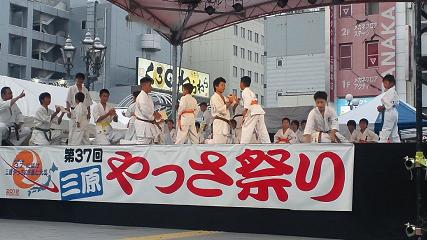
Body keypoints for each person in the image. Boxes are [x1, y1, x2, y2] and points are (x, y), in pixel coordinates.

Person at [240, 76, 270, 144]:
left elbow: (248, 103)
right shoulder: (251, 92)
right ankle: (267, 144)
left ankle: (242, 146)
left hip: (253, 111)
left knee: (246, 127)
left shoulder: (244, 91)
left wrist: (244, 113)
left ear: (242, 83)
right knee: (262, 129)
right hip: (259, 110)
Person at [134, 76, 162, 144]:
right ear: (143, 85)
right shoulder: (141, 97)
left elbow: (149, 110)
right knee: (142, 146)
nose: (151, 87)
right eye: (149, 85)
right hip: (143, 125)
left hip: (148, 124)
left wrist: (155, 113)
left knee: (149, 147)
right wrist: (154, 116)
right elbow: (145, 112)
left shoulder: (148, 96)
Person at [66, 73, 93, 142]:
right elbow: (68, 101)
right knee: (73, 130)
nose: (80, 81)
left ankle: (85, 146)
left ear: (83, 80)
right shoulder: (71, 89)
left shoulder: (85, 90)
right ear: (76, 79)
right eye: (78, 79)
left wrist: (89, 113)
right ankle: (71, 146)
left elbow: (88, 103)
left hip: (84, 113)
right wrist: (68, 111)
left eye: (81, 80)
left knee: (84, 130)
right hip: (74, 111)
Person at [210, 77, 235, 144]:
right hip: (219, 122)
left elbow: (232, 104)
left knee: (225, 143)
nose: (224, 87)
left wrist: (233, 99)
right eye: (222, 85)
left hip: (226, 123)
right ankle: (206, 142)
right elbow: (220, 109)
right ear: (216, 86)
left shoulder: (224, 97)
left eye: (224, 85)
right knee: (218, 144)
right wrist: (230, 102)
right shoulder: (214, 97)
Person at [378, 74, 401, 143]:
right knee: (394, 131)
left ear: (391, 83)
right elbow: (394, 103)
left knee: (386, 128)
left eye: (385, 83)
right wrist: (383, 107)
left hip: (390, 111)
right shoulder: (393, 92)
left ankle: (382, 141)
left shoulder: (391, 91)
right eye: (383, 83)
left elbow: (389, 103)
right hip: (394, 112)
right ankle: (397, 143)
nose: (384, 85)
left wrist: (382, 107)